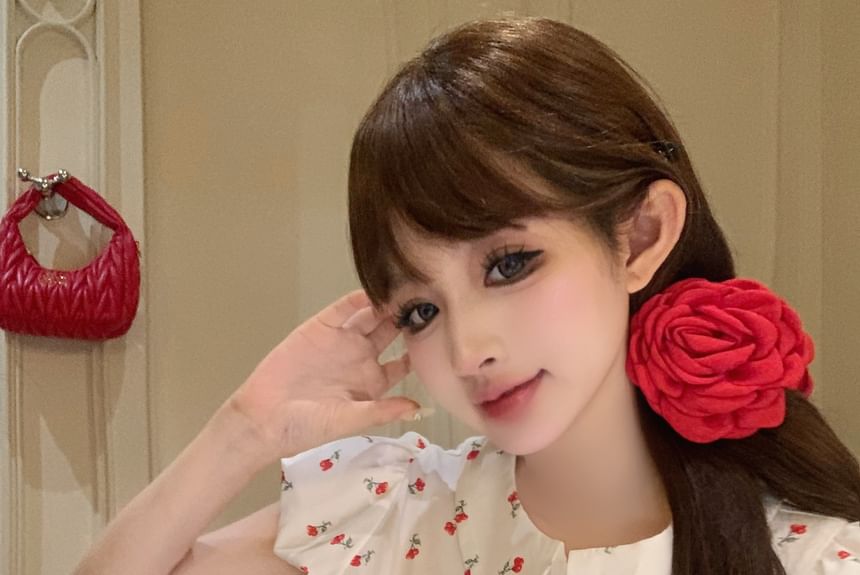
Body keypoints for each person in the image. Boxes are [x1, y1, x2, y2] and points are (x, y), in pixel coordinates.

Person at [74, 17, 860, 575]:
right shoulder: (387, 511)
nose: (467, 349)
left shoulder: (812, 555)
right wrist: (244, 429)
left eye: (509, 264)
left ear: (642, 234)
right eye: (421, 310)